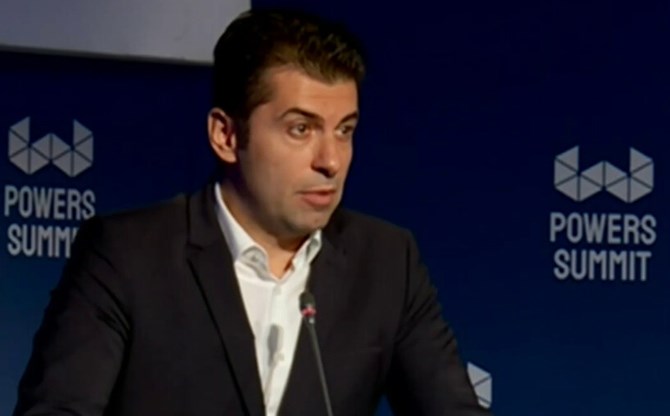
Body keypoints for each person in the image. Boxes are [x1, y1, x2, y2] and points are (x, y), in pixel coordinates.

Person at [14, 8, 491, 416]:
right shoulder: (128, 256)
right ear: (226, 136)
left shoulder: (387, 263)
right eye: (301, 129)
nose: (330, 160)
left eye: (344, 130)